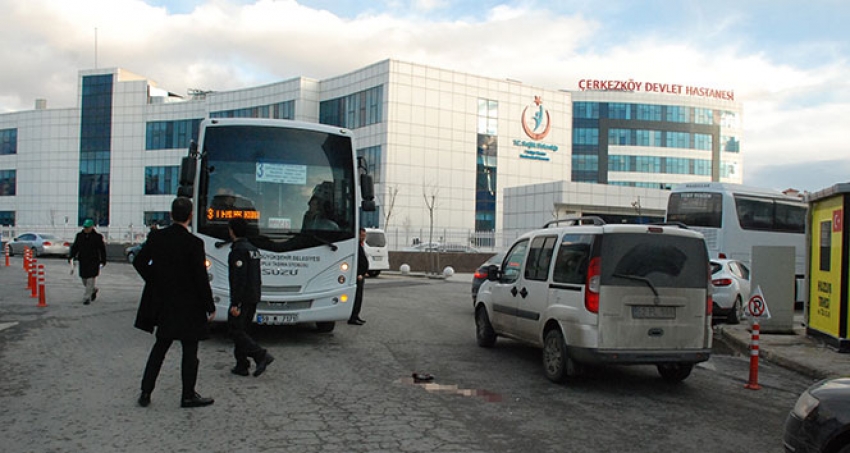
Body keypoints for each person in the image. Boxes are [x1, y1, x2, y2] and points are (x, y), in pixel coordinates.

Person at [133, 197, 216, 409]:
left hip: (165, 302)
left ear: (171, 215)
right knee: (190, 351)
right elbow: (200, 277)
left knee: (160, 348)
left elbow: (139, 261)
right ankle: (188, 395)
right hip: (190, 305)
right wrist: (209, 305)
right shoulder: (195, 244)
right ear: (190, 216)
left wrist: (154, 280)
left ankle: (145, 392)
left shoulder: (157, 238)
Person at [227, 217, 274, 377]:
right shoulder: (253, 249)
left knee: (235, 329)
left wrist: (235, 303)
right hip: (253, 295)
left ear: (232, 231)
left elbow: (239, 279)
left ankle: (260, 355)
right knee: (242, 329)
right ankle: (241, 364)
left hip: (243, 297)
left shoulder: (238, 250)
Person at [68, 219, 107, 305]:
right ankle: (93, 290)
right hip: (83, 260)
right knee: (84, 279)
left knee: (90, 279)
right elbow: (75, 247)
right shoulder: (79, 236)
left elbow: (102, 249)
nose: (86, 229)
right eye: (85, 227)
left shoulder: (97, 237)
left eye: (87, 227)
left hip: (94, 261)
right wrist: (71, 256)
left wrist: (103, 260)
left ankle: (86, 298)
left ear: (92, 227)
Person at [348, 227, 369, 325]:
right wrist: (358, 273)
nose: (363, 237)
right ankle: (353, 317)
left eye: (364, 236)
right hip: (358, 276)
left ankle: (356, 315)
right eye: (362, 235)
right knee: (356, 297)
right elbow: (356, 261)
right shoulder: (355, 246)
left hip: (361, 275)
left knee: (359, 297)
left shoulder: (360, 245)